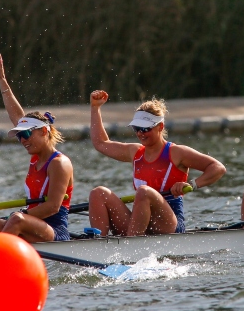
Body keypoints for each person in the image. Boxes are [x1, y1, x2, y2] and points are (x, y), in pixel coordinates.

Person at [0, 54, 74, 242]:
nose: (22, 140)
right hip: (28, 221)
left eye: (26, 134)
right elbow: (17, 116)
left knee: (16, 219)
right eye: (19, 136)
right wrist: (2, 82)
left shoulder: (59, 163)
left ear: (44, 131)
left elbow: (53, 207)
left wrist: (19, 215)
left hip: (54, 229)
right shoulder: (35, 154)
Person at [87, 90, 226, 236]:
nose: (140, 133)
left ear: (160, 127)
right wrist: (95, 108)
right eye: (137, 128)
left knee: (144, 191)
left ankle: (130, 244)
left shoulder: (176, 152)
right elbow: (101, 143)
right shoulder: (135, 152)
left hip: (169, 222)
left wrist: (192, 184)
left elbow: (217, 168)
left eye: (145, 129)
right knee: (98, 193)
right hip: (140, 222)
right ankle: (99, 244)